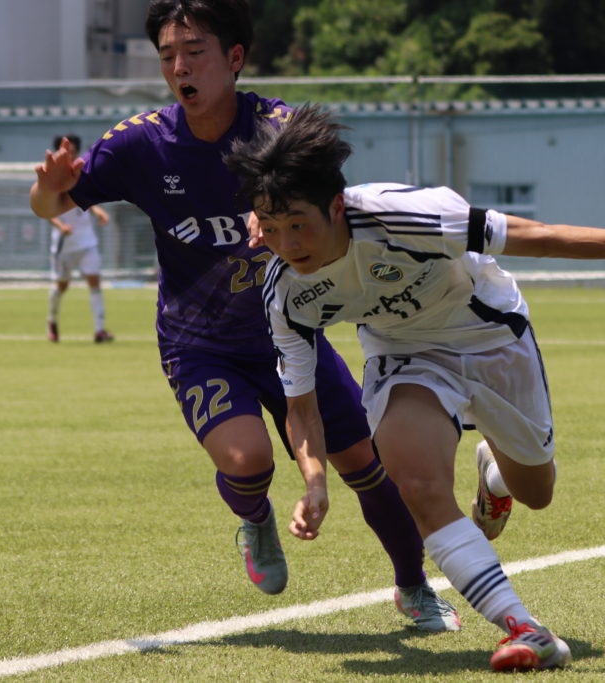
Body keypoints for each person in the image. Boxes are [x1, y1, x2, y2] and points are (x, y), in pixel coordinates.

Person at [30, 0, 459, 632]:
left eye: (194, 51)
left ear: (234, 57)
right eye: (168, 56)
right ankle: (256, 520)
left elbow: (329, 204)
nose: (180, 67)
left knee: (365, 464)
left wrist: (277, 205)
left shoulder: (278, 131)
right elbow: (51, 205)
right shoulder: (139, 143)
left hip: (290, 332)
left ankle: (413, 587)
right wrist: (47, 190)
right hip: (198, 343)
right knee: (247, 459)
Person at [224, 103, 593, 670]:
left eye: (298, 224)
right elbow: (301, 406)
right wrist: (315, 482)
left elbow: (539, 236)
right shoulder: (286, 293)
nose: (288, 243)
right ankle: (526, 629)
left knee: (536, 491)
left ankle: (495, 472)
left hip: (491, 335)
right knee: (416, 482)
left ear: (336, 206)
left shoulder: (405, 216)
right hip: (405, 355)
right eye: (271, 229)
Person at [45, 134, 115, 343]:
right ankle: (52, 320)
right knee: (62, 286)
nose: (72, 156)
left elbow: (83, 200)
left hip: (87, 241)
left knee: (95, 282)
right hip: (65, 245)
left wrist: (97, 211)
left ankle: (99, 330)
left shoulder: (82, 173)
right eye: (68, 152)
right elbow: (45, 209)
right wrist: (60, 226)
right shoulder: (51, 177)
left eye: (74, 152)